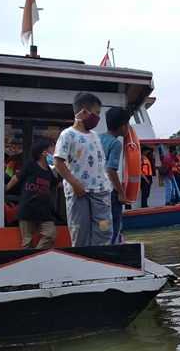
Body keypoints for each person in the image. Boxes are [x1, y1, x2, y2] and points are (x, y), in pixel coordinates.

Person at [54, 92, 113, 247]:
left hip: (100, 191)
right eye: (96, 113)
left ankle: (102, 263)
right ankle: (84, 264)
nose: (98, 118)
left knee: (104, 231)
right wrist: (74, 184)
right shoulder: (67, 134)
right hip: (78, 192)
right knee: (80, 231)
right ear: (84, 112)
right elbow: (58, 161)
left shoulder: (95, 136)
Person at [5, 136, 60, 249]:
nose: (56, 151)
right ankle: (30, 261)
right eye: (53, 149)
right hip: (27, 210)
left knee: (50, 235)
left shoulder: (49, 170)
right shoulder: (30, 166)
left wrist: (73, 185)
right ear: (44, 153)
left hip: (43, 212)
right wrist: (6, 189)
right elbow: (16, 178)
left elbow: (56, 184)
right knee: (27, 242)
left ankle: (34, 256)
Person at [99, 107, 130, 244]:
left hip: (97, 191)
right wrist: (121, 192)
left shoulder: (97, 138)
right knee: (113, 225)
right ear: (123, 127)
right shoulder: (115, 143)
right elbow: (111, 170)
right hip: (110, 191)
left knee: (100, 227)